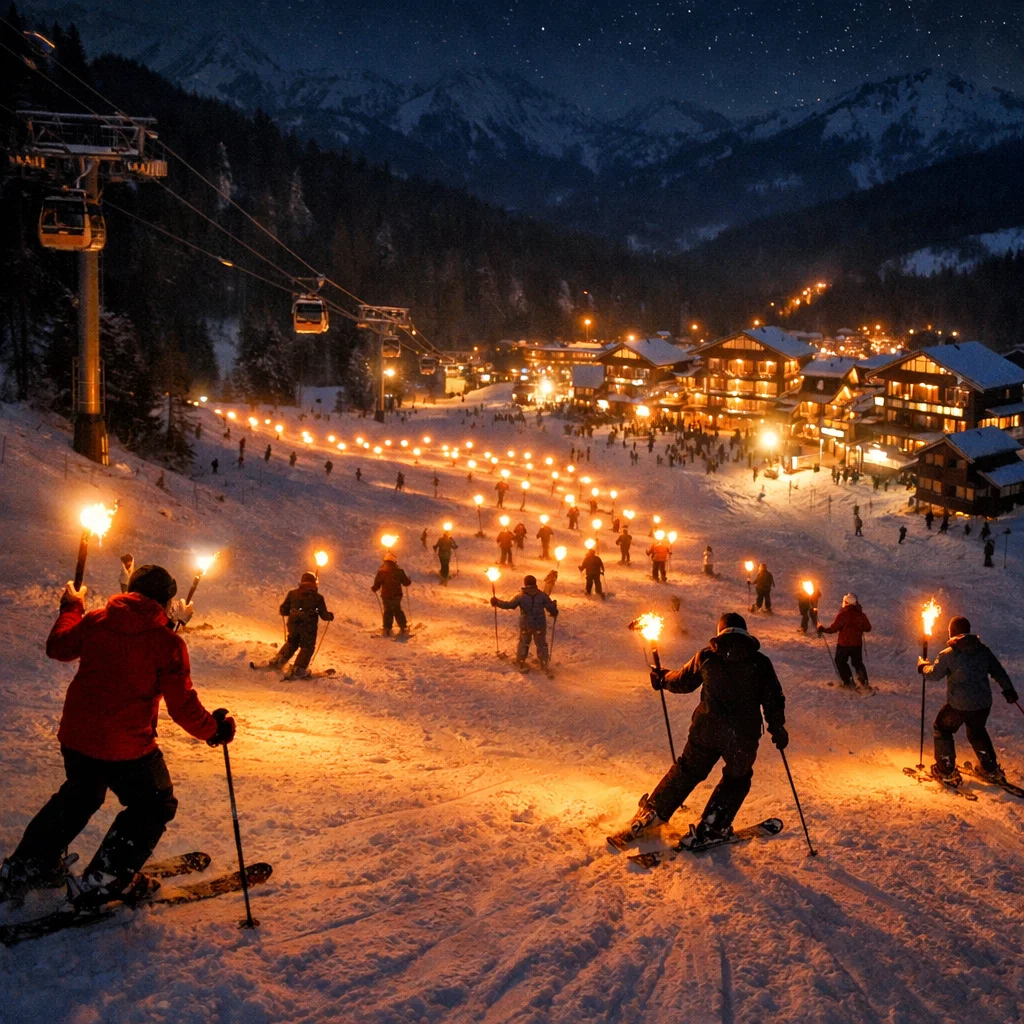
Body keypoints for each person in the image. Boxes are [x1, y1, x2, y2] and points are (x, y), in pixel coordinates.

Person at [0, 566, 234, 908]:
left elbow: (59, 647)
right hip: (126, 746)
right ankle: (104, 879)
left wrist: (71, 608)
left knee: (80, 796)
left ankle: (27, 867)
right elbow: (182, 707)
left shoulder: (98, 620)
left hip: (78, 736)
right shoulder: (167, 643)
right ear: (166, 601)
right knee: (154, 804)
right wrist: (214, 730)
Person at [620, 612, 787, 846]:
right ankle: (712, 826)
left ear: (720, 632)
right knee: (737, 778)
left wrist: (663, 678)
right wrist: (777, 728)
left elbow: (683, 682)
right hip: (742, 737)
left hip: (706, 730)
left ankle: (653, 812)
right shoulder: (760, 662)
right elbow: (773, 699)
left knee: (688, 769)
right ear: (745, 633)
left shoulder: (707, 656)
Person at [918, 616, 1017, 783]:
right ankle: (990, 769)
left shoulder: (949, 654)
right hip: (982, 705)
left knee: (942, 728)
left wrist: (922, 666)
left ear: (952, 632)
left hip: (959, 705)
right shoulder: (983, 650)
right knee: (977, 730)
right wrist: (1009, 689)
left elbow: (934, 675)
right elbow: (998, 671)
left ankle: (946, 769)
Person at [270, 572, 334, 677]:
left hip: (293, 625)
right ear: (314, 583)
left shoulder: (292, 593)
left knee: (292, 643)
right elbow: (324, 615)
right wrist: (330, 616)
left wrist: (288, 611)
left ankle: (278, 661)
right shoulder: (317, 597)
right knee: (307, 647)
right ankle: (298, 669)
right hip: (308, 627)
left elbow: (284, 610)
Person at [491, 574, 558, 671]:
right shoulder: (542, 596)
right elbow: (550, 607)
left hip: (526, 624)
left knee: (524, 642)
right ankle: (544, 663)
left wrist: (497, 602)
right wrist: (554, 611)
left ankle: (521, 661)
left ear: (525, 584)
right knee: (541, 644)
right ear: (535, 584)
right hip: (539, 624)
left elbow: (509, 605)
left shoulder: (521, 596)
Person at [818, 593, 871, 689]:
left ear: (845, 602)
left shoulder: (842, 615)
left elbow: (833, 629)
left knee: (840, 661)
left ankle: (848, 682)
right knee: (857, 662)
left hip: (843, 644)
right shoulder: (861, 615)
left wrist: (823, 629)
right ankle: (864, 682)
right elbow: (868, 628)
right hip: (857, 644)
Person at [371, 552, 412, 635]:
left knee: (388, 610)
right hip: (397, 595)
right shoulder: (399, 571)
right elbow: (406, 583)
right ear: (394, 562)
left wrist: (374, 588)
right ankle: (403, 627)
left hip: (386, 595)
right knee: (397, 610)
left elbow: (377, 584)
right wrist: (409, 580)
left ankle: (387, 628)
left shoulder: (381, 572)